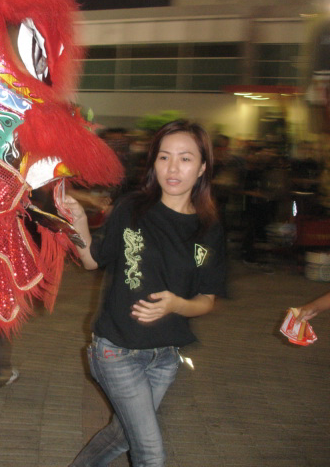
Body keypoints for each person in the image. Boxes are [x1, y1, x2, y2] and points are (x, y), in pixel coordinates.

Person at [62, 120, 226, 467]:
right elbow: (92, 261)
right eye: (164, 157)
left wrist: (176, 304)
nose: (173, 168)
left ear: (202, 168)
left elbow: (206, 302)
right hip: (116, 350)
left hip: (165, 357)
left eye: (185, 159)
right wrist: (77, 224)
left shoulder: (208, 228)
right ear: (153, 163)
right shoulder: (132, 209)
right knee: (150, 452)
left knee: (123, 435)